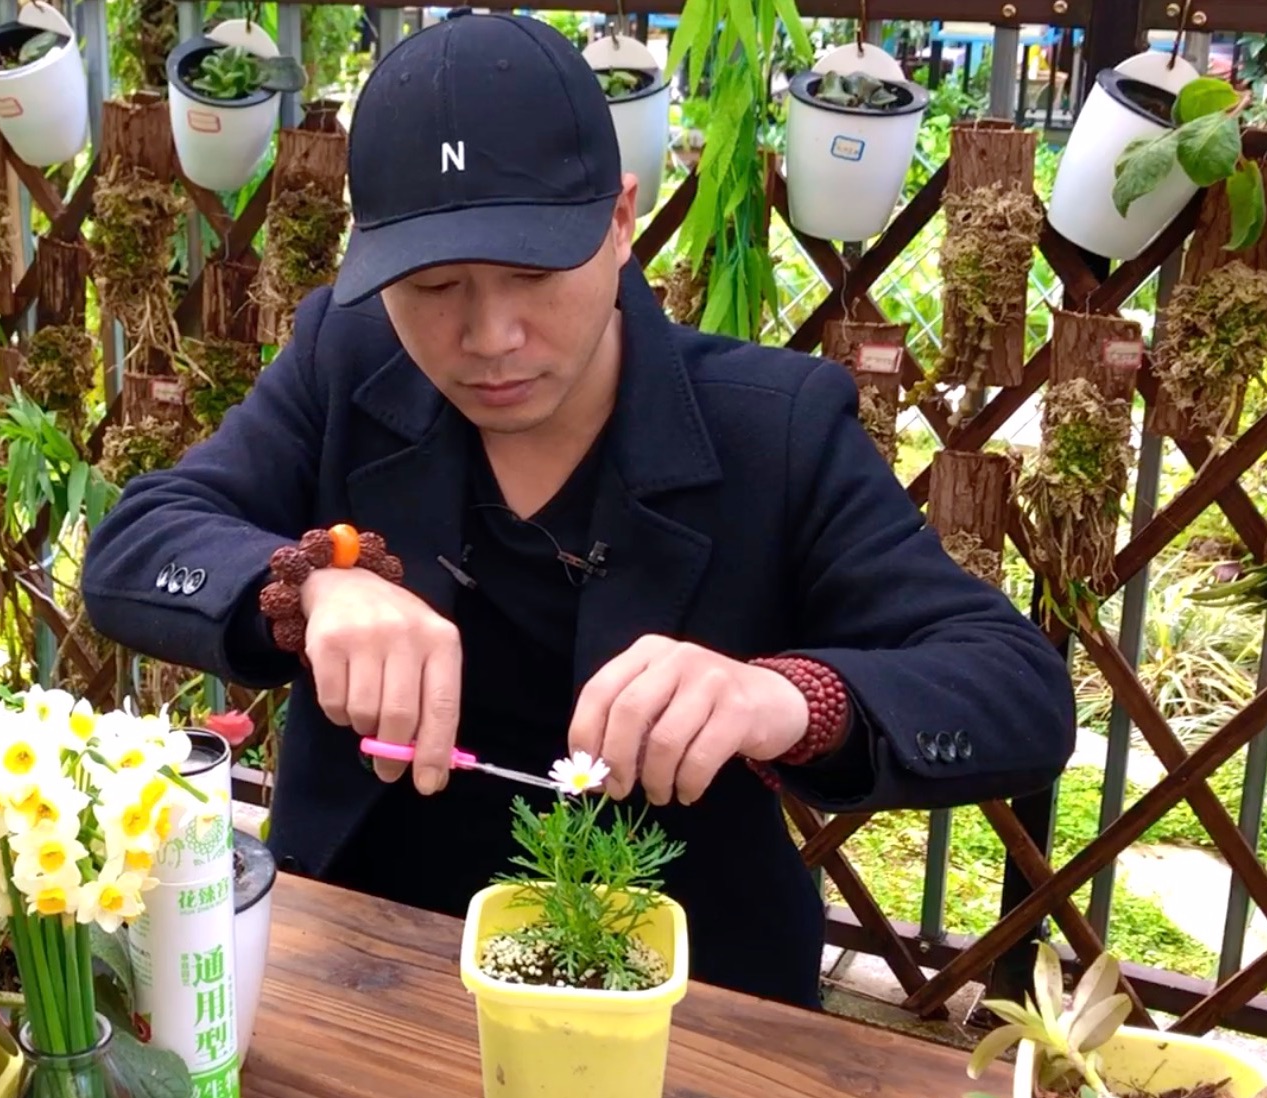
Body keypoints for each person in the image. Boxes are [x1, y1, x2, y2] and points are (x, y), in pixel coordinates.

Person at [82, 10, 1076, 1008]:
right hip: (365, 945)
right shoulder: (348, 361)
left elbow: (1015, 690)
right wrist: (306, 586)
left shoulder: (769, 426)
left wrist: (782, 700)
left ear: (618, 221)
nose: (490, 336)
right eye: (433, 285)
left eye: (533, 272)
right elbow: (140, 542)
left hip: (678, 986)